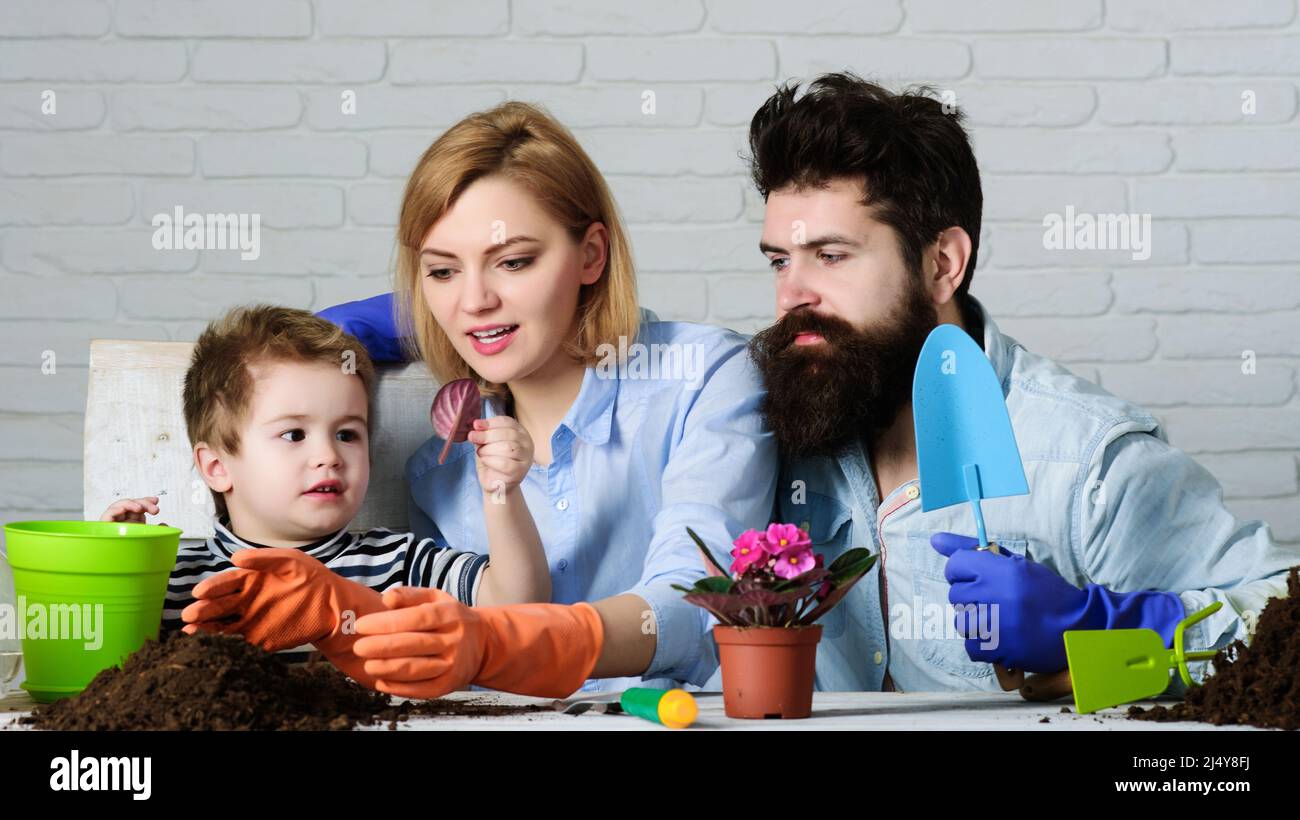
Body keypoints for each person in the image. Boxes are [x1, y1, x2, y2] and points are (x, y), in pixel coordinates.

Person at [310, 101, 778, 696]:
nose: (474, 302)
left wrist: (503, 642)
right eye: (443, 272)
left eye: (512, 261)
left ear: (591, 255)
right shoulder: (439, 471)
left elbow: (703, 600)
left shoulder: (704, 378)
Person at [104, 304, 550, 678]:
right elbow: (102, 661)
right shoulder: (178, 575)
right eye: (294, 435)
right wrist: (118, 566)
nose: (329, 456)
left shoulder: (399, 563)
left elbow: (516, 602)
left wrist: (501, 493)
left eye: (348, 435)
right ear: (218, 467)